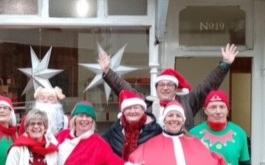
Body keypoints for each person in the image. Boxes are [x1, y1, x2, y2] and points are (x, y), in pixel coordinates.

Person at [98, 44, 238, 128]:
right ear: (157, 88)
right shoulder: (146, 104)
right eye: (162, 85)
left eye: (169, 85)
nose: (165, 88)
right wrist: (108, 72)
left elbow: (208, 86)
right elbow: (124, 88)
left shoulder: (188, 102)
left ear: (175, 88)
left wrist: (224, 65)